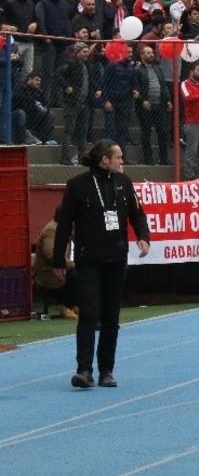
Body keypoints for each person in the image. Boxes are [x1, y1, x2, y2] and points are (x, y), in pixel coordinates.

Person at [53, 140, 151, 389]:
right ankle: (84, 370)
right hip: (88, 261)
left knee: (111, 317)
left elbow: (137, 213)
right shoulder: (77, 186)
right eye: (118, 157)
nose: (122, 161)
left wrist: (143, 237)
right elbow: (64, 224)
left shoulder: (124, 183)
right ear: (104, 160)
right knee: (88, 313)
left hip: (116, 260)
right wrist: (58, 260)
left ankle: (107, 370)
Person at [33, 206, 78, 319]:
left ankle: (75, 304)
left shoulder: (60, 227)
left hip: (56, 269)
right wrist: (72, 264)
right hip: (47, 273)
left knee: (83, 271)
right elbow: (51, 255)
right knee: (74, 273)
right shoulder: (51, 230)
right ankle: (66, 306)